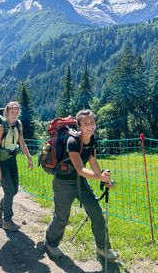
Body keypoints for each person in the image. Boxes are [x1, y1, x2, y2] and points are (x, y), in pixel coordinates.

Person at [44, 109, 118, 260]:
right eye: (85, 123)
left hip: (80, 182)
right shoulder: (73, 142)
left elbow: (92, 161)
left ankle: (103, 248)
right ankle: (50, 243)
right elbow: (80, 168)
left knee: (96, 213)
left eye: (92, 122)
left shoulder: (92, 140)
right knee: (62, 217)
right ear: (79, 125)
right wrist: (100, 177)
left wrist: (105, 179)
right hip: (63, 182)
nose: (90, 126)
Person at [0, 101, 33, 231]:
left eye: (17, 113)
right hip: (2, 162)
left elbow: (21, 142)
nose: (14, 115)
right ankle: (7, 221)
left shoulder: (18, 125)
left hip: (12, 160)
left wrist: (29, 157)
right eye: (12, 112)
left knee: (14, 190)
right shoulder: (1, 127)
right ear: (7, 112)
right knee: (9, 191)